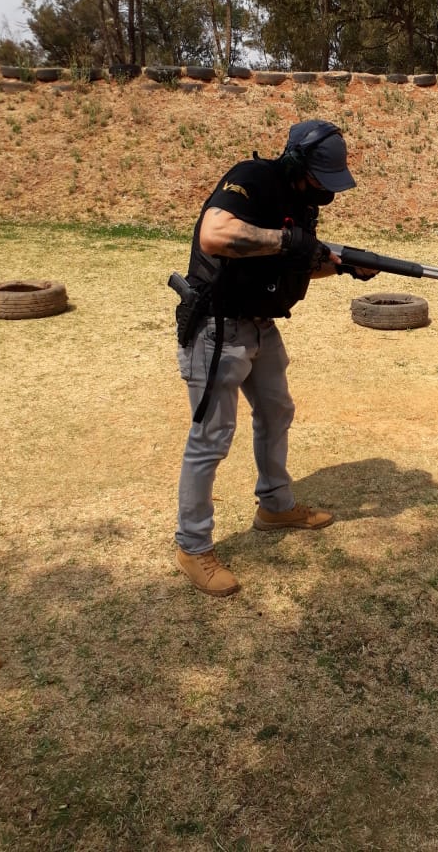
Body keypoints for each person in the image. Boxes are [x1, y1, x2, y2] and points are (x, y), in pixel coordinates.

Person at [173, 119, 375, 596]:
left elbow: (296, 261)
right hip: (218, 327)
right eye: (321, 179)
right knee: (211, 438)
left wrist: (344, 267)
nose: (327, 191)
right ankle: (192, 545)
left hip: (260, 323)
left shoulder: (300, 202)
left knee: (276, 411)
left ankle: (275, 506)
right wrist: (287, 241)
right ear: (299, 164)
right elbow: (214, 235)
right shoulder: (253, 178)